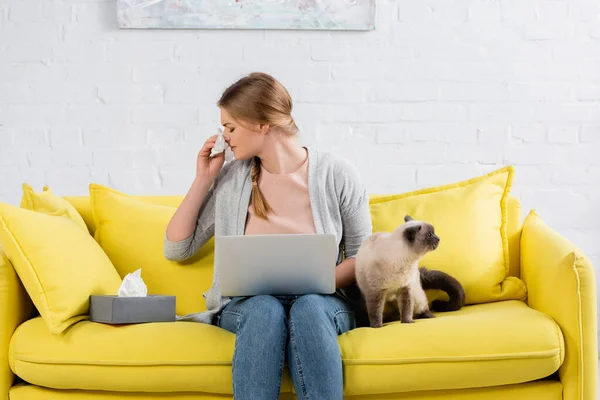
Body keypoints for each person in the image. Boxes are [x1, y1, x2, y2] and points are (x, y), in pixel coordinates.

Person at [164, 72, 372, 400]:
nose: (225, 138)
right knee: (264, 308)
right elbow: (177, 247)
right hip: (248, 306)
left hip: (323, 304)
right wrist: (203, 179)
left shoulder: (337, 174)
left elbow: (366, 258)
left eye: (230, 127)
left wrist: (319, 280)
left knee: (308, 307)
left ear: (262, 124)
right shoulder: (233, 179)